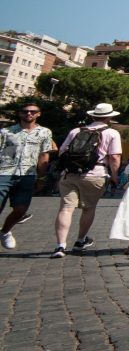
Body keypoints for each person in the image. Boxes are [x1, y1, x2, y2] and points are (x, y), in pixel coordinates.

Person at [53, 103, 123, 258]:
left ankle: (60, 245)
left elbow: (62, 151)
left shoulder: (76, 131)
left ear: (92, 116)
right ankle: (80, 240)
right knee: (89, 208)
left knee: (65, 209)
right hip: (95, 174)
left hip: (69, 174)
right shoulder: (112, 133)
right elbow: (114, 157)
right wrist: (115, 175)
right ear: (110, 117)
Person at [0, 102, 55, 250]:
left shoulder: (45, 132)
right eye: (25, 111)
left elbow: (44, 155)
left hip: (27, 174)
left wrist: (41, 177)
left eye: (32, 111)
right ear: (19, 113)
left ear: (38, 114)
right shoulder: (6, 132)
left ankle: (5, 231)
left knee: (21, 209)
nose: (28, 114)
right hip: (4, 172)